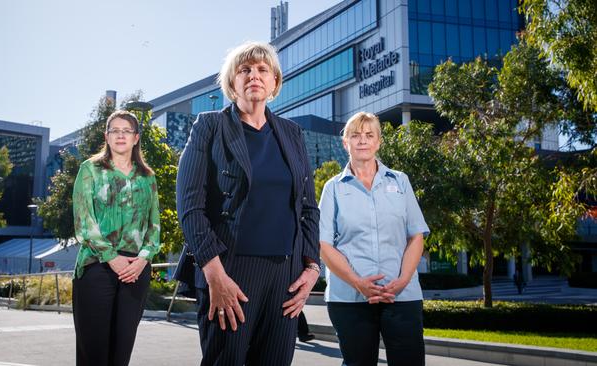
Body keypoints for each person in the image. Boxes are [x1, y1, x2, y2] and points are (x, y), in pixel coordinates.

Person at [176, 41, 320, 366]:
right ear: (232, 83)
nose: (253, 75)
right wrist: (215, 274)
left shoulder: (292, 133)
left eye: (262, 69)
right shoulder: (209, 126)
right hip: (229, 271)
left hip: (286, 276)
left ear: (274, 82)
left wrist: (312, 268)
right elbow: (190, 207)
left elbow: (308, 208)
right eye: (244, 70)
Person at [318, 112, 430, 366]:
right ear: (345, 143)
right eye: (355, 135)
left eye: (369, 135)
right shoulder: (333, 188)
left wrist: (402, 282)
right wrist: (358, 282)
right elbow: (324, 245)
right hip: (349, 299)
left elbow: (416, 236)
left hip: (401, 296)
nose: (362, 141)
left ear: (378, 142)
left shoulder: (400, 181)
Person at [72, 110, 160, 366]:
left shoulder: (148, 177)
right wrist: (112, 258)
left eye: (127, 131)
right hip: (97, 267)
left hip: (136, 271)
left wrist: (144, 259)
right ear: (107, 137)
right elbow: (83, 222)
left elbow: (154, 227)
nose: (121, 135)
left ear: (136, 138)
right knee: (94, 354)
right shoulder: (90, 170)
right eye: (115, 130)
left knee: (120, 355)